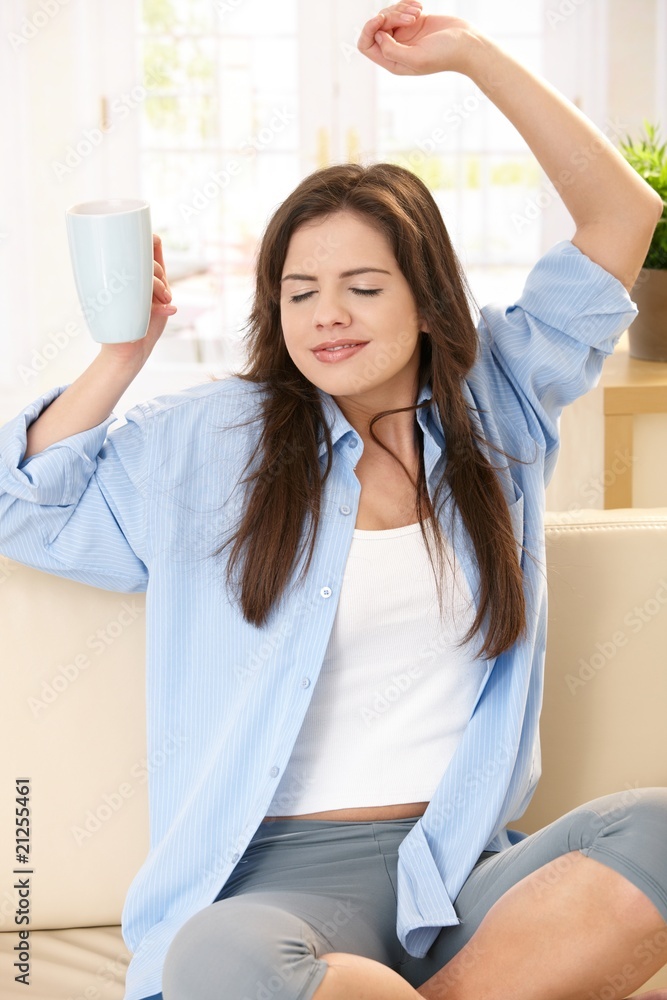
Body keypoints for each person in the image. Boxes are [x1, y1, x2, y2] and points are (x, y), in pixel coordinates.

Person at [1, 3, 666, 999]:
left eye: (362, 285)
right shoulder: (212, 441)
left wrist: (472, 56)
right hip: (275, 888)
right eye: (299, 290)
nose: (327, 316)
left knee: (655, 831)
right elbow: (25, 506)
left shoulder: (501, 401)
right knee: (216, 959)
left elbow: (621, 217)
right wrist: (121, 355)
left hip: (455, 872)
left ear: (427, 300)